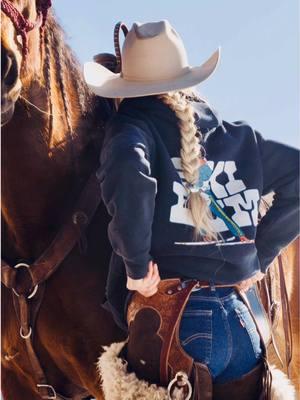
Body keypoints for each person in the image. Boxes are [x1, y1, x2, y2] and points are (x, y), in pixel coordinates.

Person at [84, 20, 299, 398]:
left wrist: (136, 267)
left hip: (176, 326)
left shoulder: (131, 127)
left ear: (128, 84)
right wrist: (258, 257)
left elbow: (128, 173)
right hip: (244, 324)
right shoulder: (239, 136)